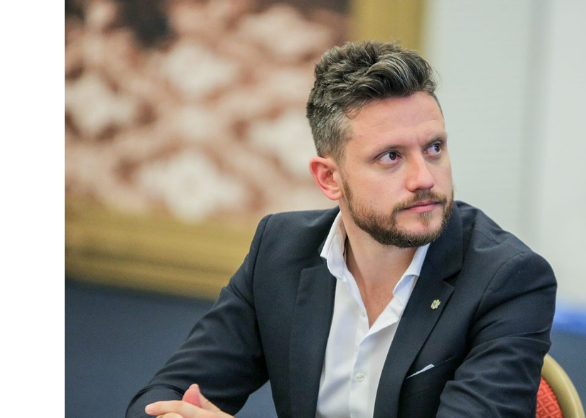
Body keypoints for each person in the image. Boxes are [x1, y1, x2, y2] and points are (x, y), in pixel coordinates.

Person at [127, 40, 557, 418]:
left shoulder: (510, 281)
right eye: (391, 156)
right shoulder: (279, 252)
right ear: (330, 178)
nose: (424, 178)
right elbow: (164, 395)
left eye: (434, 148)